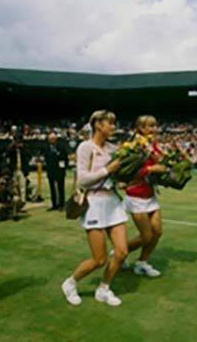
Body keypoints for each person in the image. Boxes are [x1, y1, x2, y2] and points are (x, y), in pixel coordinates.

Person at [61, 110, 127, 307]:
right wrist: (109, 169)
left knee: (122, 252)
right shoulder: (85, 147)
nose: (113, 127)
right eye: (110, 124)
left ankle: (104, 288)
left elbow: (114, 176)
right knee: (99, 259)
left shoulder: (113, 148)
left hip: (113, 202)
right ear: (98, 124)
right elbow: (83, 179)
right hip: (94, 204)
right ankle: (70, 283)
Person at [122, 115, 167, 277]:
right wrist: (150, 170)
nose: (153, 129)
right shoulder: (133, 146)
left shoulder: (152, 144)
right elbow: (127, 171)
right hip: (136, 196)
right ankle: (120, 253)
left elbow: (162, 161)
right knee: (146, 236)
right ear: (140, 128)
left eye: (155, 126)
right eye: (149, 126)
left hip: (150, 194)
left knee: (157, 232)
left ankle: (142, 262)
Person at [44, 132, 68, 211]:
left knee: (61, 188)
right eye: (50, 139)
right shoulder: (46, 148)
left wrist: (64, 169)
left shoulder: (61, 147)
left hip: (60, 171)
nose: (52, 140)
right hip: (51, 171)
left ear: (56, 139)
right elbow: (46, 160)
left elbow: (65, 159)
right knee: (52, 189)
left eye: (53, 139)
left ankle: (61, 205)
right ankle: (54, 205)